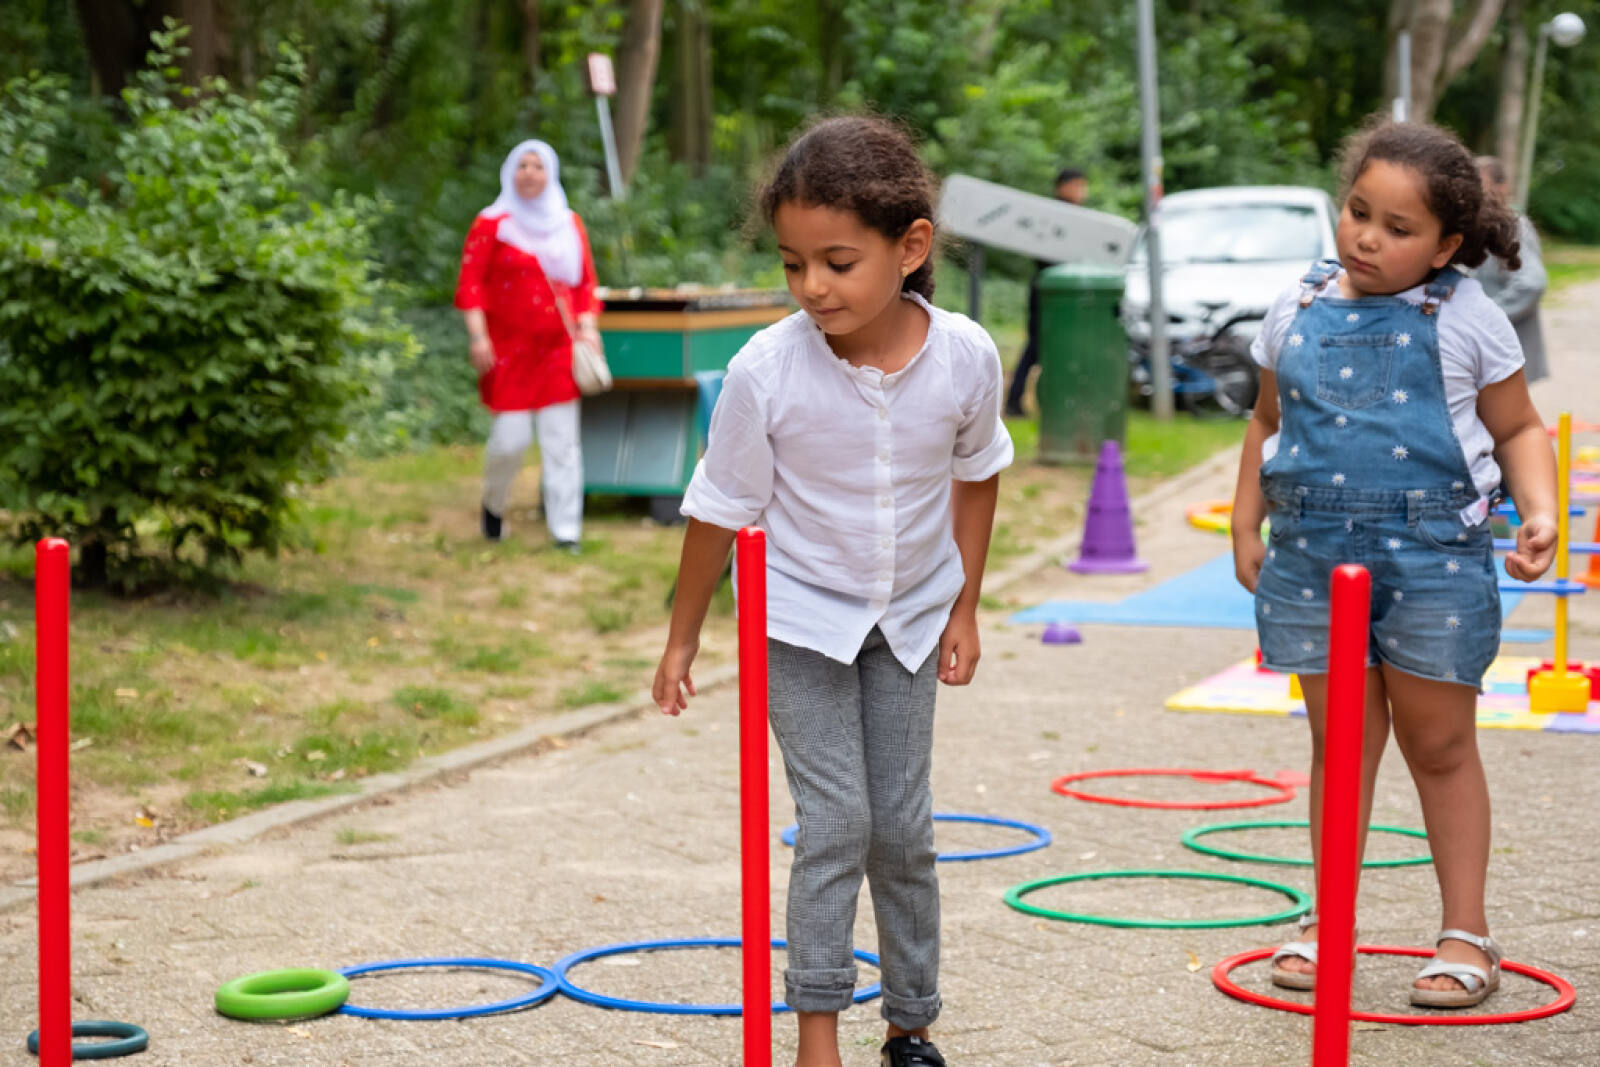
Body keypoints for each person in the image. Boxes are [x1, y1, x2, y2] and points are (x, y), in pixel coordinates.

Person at [652, 115, 1013, 1067]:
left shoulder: (966, 356)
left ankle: (910, 1024)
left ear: (911, 247)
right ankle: (818, 1032)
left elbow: (978, 473)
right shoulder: (765, 371)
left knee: (903, 830)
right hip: (800, 622)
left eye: (838, 262)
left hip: (912, 619)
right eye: (793, 264)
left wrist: (966, 605)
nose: (813, 286)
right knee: (838, 822)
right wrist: (684, 636)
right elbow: (718, 510)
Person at [1231, 117, 1557, 1009]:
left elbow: (1518, 427)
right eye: (1358, 211)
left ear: (1447, 245)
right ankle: (1330, 921)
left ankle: (1466, 931)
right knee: (1339, 745)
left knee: (1439, 743)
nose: (1367, 236)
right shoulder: (1296, 304)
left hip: (1432, 564)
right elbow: (1266, 420)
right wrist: (1245, 520)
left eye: (1398, 227)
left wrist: (1538, 510)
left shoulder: (1466, 316)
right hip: (1312, 559)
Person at [455, 139, 602, 552]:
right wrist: (478, 335)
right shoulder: (492, 224)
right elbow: (470, 284)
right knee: (510, 440)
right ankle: (493, 504)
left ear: (550, 173)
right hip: (508, 350)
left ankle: (566, 531)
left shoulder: (568, 223)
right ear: (510, 171)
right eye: (523, 165)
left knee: (562, 443)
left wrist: (588, 328)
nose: (530, 173)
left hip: (557, 348)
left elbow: (585, 284)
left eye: (538, 166)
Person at [1003, 167, 1089, 417]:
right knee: (1036, 346)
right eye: (1078, 185)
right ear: (1062, 187)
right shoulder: (1051, 216)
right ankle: (1015, 401)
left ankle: (1052, 401)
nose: (1082, 191)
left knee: (1050, 347)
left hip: (1063, 291)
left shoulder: (1078, 217)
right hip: (1048, 291)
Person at [1475, 156, 1549, 383]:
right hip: (1487, 358)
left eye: (1480, 185)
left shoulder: (1513, 227)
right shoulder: (1479, 227)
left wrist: (1481, 318)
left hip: (1505, 360)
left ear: (1502, 188)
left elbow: (1531, 283)